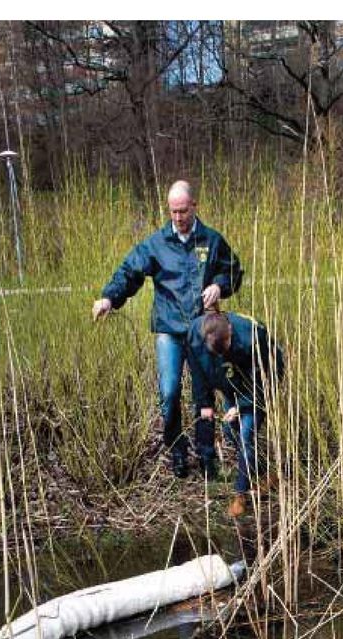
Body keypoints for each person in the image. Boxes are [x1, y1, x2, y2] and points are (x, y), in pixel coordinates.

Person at [92, 180, 244, 480]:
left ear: (194, 206)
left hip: (202, 332)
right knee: (169, 391)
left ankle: (206, 456)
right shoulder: (156, 244)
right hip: (169, 331)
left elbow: (232, 271)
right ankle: (176, 451)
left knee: (204, 397)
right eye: (173, 212)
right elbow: (129, 272)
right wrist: (109, 298)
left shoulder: (211, 241)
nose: (178, 217)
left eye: (183, 211)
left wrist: (218, 286)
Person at [186, 310, 285, 518]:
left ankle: (240, 495)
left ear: (229, 330)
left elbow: (271, 375)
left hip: (256, 390)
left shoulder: (253, 336)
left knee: (245, 436)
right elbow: (197, 369)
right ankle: (265, 474)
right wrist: (204, 402)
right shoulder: (195, 333)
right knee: (230, 432)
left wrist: (241, 405)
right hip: (231, 387)